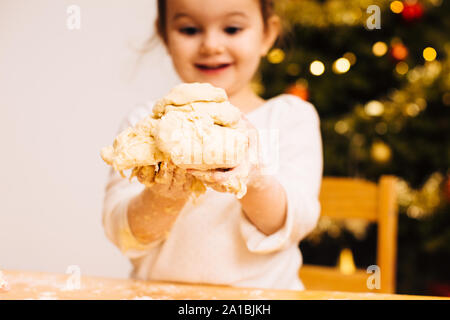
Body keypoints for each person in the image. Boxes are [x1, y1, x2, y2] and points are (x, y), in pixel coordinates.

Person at [102, 0, 323, 290]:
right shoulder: (146, 125)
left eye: (232, 28)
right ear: (165, 36)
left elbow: (296, 221)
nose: (211, 45)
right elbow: (122, 232)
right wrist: (163, 197)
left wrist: (253, 182)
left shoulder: (290, 117)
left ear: (267, 35)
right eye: (190, 29)